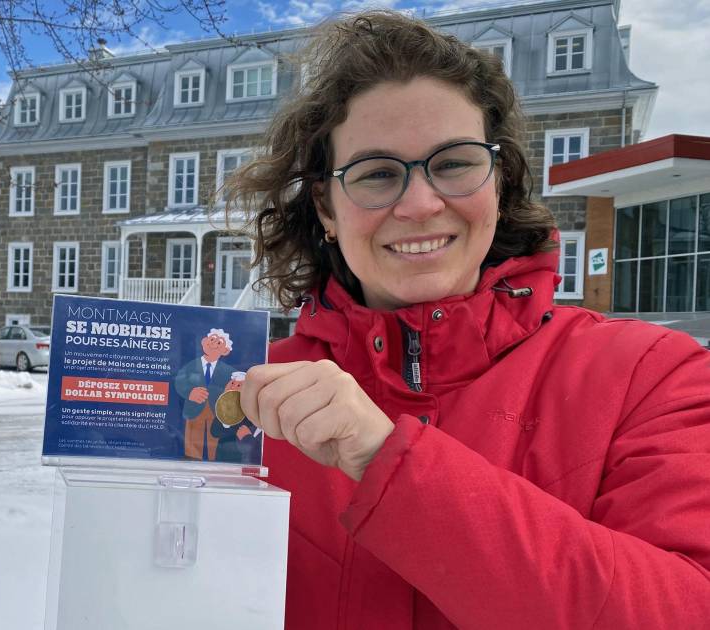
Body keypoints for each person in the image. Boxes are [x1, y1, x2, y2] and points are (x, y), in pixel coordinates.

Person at [226, 11, 710, 630]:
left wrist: (387, 463)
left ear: (500, 179)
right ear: (325, 206)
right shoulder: (248, 398)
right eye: (376, 174)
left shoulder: (649, 377)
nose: (420, 203)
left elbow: (684, 608)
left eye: (453, 163)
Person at [173, 328, 235, 460]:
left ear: (225, 350)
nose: (214, 344)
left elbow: (235, 388)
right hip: (194, 409)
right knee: (192, 437)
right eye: (212, 339)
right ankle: (192, 459)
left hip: (216, 410)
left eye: (219, 343)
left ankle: (214, 460)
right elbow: (179, 381)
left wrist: (226, 394)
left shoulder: (228, 371)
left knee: (214, 438)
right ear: (204, 342)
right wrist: (189, 392)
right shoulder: (191, 366)